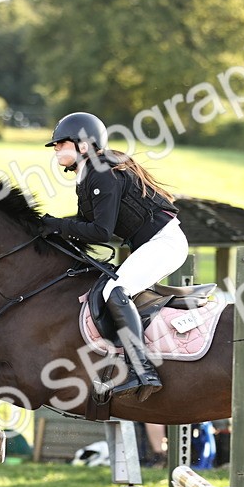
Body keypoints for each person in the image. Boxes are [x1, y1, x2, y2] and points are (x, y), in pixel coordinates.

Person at [38, 112, 187, 402]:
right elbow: (81, 226)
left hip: (165, 243)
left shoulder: (102, 172)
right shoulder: (89, 175)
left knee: (115, 290)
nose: (56, 149)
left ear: (83, 146)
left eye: (61, 144)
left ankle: (142, 370)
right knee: (111, 287)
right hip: (151, 244)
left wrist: (54, 224)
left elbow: (101, 232)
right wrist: (45, 229)